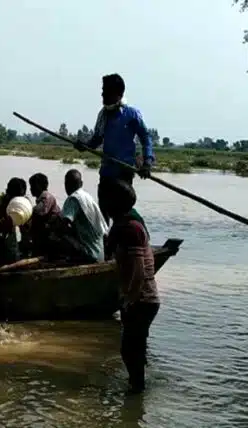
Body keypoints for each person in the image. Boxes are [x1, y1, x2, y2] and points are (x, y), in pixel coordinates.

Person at [74, 73, 155, 224]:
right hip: (106, 173)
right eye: (102, 90)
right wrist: (83, 145)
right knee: (103, 214)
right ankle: (105, 244)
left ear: (118, 93)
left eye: (106, 90)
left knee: (122, 215)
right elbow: (96, 140)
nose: (102, 94)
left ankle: (126, 241)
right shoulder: (103, 115)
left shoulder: (131, 114)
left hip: (124, 174)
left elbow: (146, 138)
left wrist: (147, 162)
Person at [104, 180, 159, 394]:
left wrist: (130, 299)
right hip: (142, 298)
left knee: (129, 350)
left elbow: (138, 270)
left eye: (107, 199)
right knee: (136, 350)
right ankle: (138, 393)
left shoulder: (131, 229)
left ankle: (136, 394)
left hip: (142, 299)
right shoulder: (127, 224)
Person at [53, 169, 109, 263]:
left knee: (58, 235)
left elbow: (64, 224)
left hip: (89, 254)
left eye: (67, 184)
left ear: (66, 185)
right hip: (100, 254)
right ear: (81, 183)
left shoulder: (73, 198)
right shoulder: (88, 197)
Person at [24, 173, 61, 256]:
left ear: (40, 186)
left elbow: (38, 212)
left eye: (33, 186)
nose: (31, 189)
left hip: (51, 233)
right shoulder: (41, 198)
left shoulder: (46, 196)